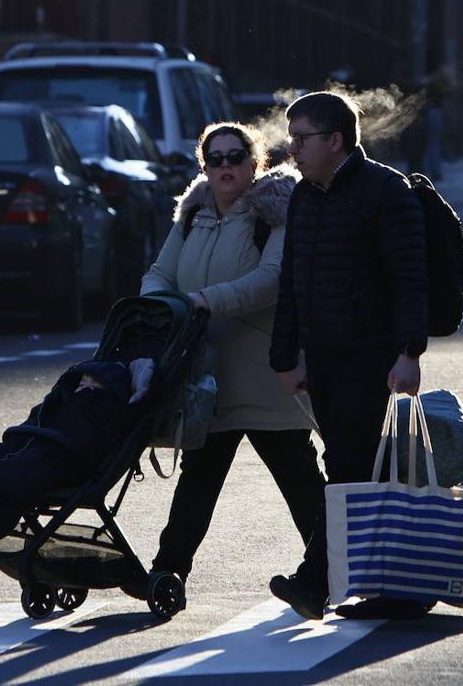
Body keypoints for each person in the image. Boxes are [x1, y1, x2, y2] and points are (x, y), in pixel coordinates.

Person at [141, 122, 326, 592]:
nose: (226, 166)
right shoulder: (194, 216)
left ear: (254, 163)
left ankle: (336, 569)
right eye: (215, 159)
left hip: (267, 378)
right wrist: (160, 306)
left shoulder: (274, 215)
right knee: (196, 486)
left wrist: (205, 300)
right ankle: (167, 572)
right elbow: (160, 273)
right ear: (205, 167)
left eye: (235, 157)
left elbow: (272, 279)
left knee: (303, 489)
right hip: (208, 381)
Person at [268, 91, 431, 621]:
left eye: (301, 138)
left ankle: (314, 583)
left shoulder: (385, 191)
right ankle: (376, 580)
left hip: (371, 358)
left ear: (335, 140)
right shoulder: (304, 196)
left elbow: (411, 277)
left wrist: (408, 352)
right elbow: (292, 279)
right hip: (323, 359)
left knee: (346, 468)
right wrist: (285, 357)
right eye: (291, 137)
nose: (292, 148)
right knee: (356, 469)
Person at [0, 357, 155, 544]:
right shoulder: (65, 399)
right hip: (38, 436)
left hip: (66, 456)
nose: (84, 388)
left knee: (28, 465)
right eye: (82, 383)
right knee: (0, 452)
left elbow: (94, 438)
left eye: (93, 386)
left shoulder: (107, 412)